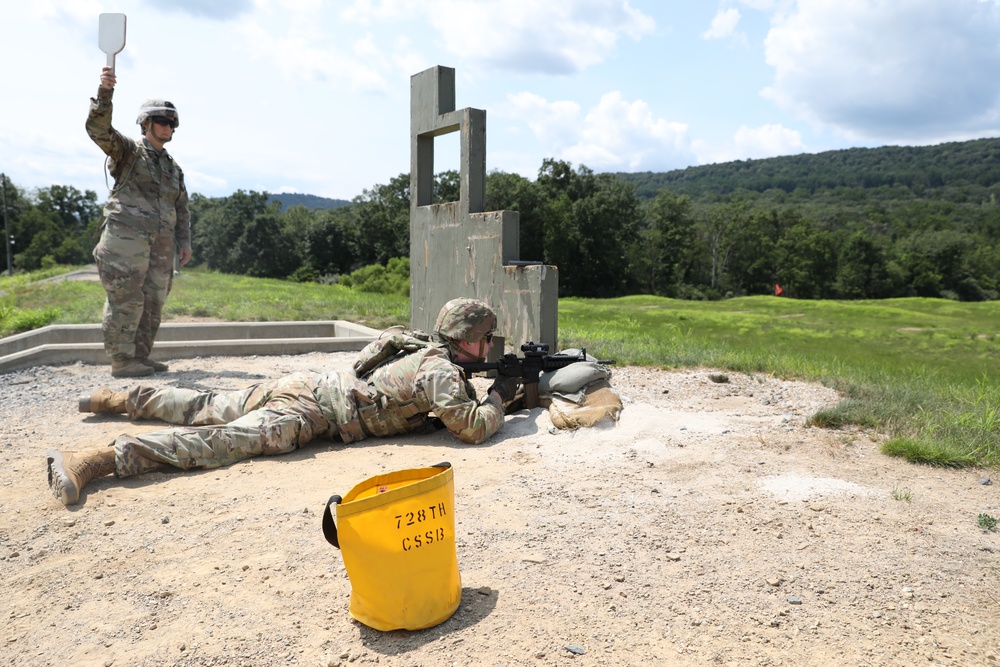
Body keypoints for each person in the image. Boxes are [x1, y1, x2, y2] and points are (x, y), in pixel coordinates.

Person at [47, 298, 521, 506]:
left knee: (206, 403)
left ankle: (116, 397)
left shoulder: (424, 349)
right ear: (469, 339)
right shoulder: (440, 370)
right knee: (220, 440)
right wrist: (502, 396)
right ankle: (102, 458)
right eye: (486, 339)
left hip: (309, 385)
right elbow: (474, 428)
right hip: (310, 414)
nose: (490, 345)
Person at [86, 66, 192, 378]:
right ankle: (121, 359)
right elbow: (99, 130)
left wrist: (184, 243)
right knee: (127, 300)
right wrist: (105, 92)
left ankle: (139, 357)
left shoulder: (173, 169)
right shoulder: (129, 152)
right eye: (161, 120)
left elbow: (182, 209)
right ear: (145, 123)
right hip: (126, 241)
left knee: (153, 302)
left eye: (171, 122)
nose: (167, 126)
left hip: (160, 245)